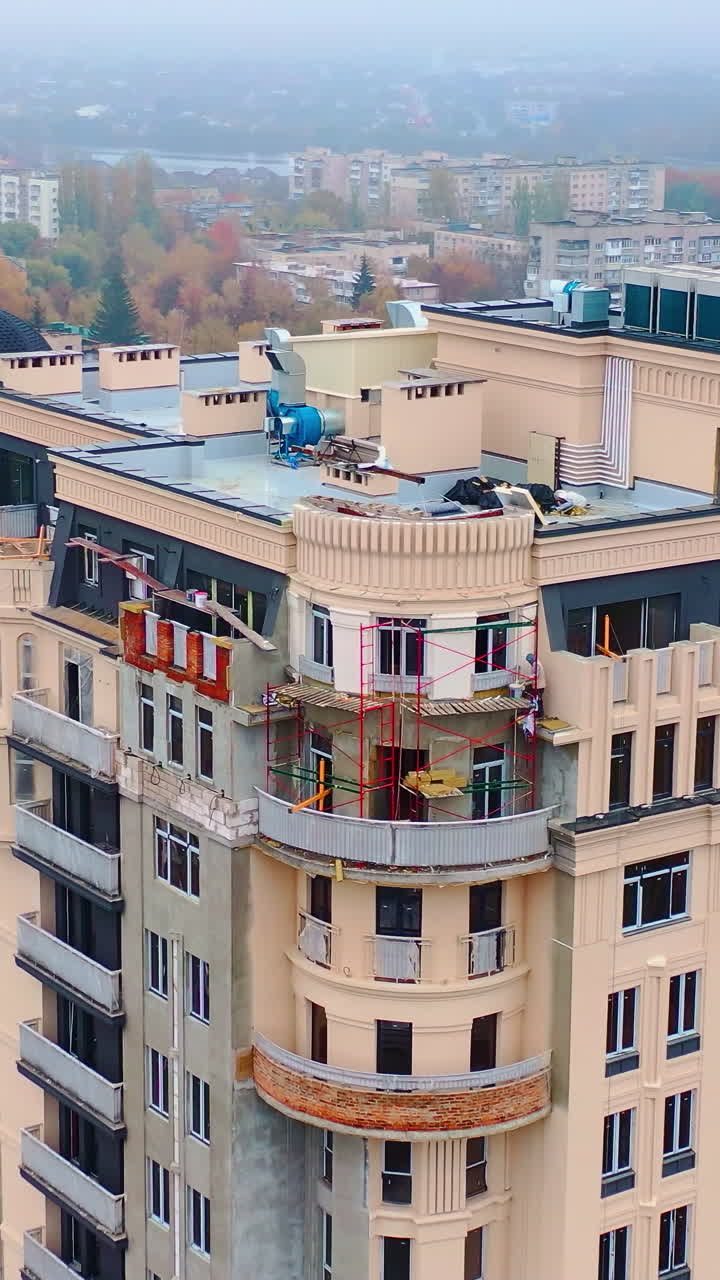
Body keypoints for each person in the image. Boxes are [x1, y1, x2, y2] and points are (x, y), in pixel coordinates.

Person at [521, 652, 545, 717]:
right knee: (538, 700)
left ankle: (538, 714)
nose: (529, 663)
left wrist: (526, 678)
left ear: (530, 660)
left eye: (529, 661)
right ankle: (539, 714)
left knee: (536, 700)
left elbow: (535, 676)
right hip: (540, 685)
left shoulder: (536, 664)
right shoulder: (537, 662)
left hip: (538, 686)